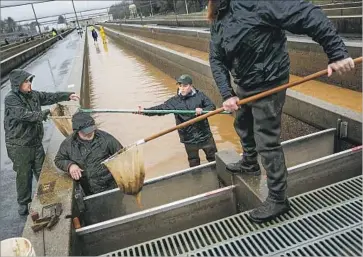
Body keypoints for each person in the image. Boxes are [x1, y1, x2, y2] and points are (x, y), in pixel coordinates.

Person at [207, 0, 356, 224]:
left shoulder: (257, 3)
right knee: (243, 124)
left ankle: (278, 198)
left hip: (270, 82)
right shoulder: (218, 14)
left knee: (266, 139)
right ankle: (249, 162)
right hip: (244, 83)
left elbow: (307, 13)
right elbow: (216, 58)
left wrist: (336, 52)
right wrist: (227, 94)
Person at [4, 69, 80, 215]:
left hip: (35, 142)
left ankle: (47, 196)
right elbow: (23, 115)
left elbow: (48, 97)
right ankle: (24, 202)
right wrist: (43, 114)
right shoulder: (11, 99)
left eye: (29, 80)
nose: (29, 84)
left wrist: (67, 95)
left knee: (43, 172)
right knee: (23, 174)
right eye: (26, 81)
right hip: (19, 146)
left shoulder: (33, 95)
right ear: (17, 84)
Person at [138, 74, 218, 167]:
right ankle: (197, 178)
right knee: (193, 162)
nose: (182, 88)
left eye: (185, 86)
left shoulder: (200, 96)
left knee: (214, 159)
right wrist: (144, 111)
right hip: (188, 139)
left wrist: (203, 110)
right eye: (180, 86)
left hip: (205, 136)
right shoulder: (174, 101)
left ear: (191, 86)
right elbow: (160, 109)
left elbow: (212, 107)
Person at [54, 112, 123, 195]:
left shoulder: (106, 138)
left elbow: (122, 154)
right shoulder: (68, 144)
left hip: (110, 186)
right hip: (88, 189)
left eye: (92, 130)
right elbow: (58, 159)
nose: (90, 133)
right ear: (77, 131)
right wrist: (70, 166)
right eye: (86, 132)